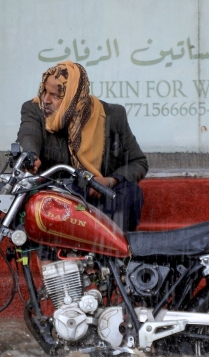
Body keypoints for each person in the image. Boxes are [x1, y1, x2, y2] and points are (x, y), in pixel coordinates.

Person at [17, 61, 148, 231]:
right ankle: (54, 256)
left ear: (73, 97)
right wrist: (30, 155)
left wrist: (108, 181)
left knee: (130, 192)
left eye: (55, 95)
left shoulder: (113, 116)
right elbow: (29, 134)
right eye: (44, 92)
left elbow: (139, 162)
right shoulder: (35, 110)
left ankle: (112, 253)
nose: (46, 100)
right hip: (59, 198)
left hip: (98, 197)